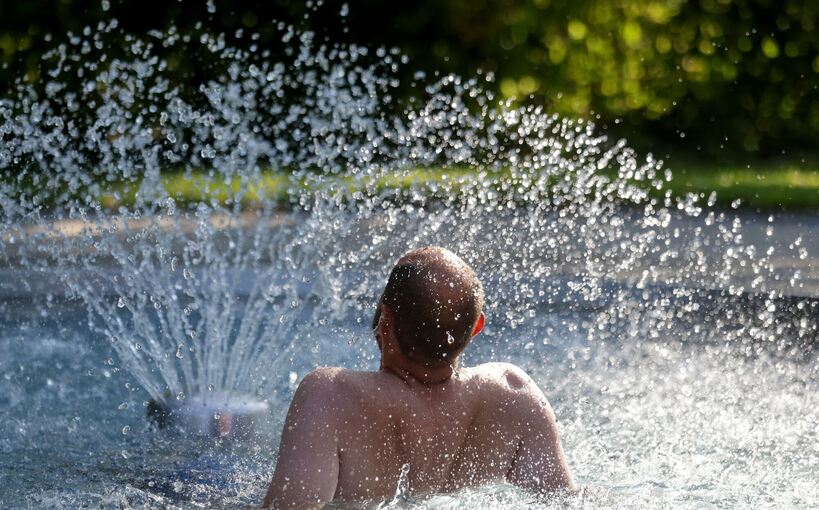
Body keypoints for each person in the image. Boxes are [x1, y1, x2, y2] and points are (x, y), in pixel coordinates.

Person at [261, 247, 574, 508]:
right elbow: (566, 501)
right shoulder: (513, 392)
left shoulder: (331, 396)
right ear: (477, 327)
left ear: (385, 320)